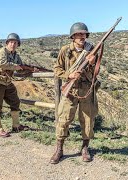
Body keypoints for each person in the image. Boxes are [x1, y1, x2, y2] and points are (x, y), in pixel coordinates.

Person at [50, 22, 98, 164]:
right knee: (63, 119)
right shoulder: (65, 50)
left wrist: (92, 63)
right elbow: (57, 68)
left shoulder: (92, 50)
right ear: (73, 36)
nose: (82, 36)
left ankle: (85, 148)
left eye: (84, 34)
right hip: (70, 90)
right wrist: (68, 76)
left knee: (88, 121)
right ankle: (59, 149)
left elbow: (96, 73)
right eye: (79, 34)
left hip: (86, 90)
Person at [0, 33, 31, 138]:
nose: (13, 44)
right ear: (7, 43)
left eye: (15, 42)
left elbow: (20, 68)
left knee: (15, 101)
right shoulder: (1, 51)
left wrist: (29, 70)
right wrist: (18, 67)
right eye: (11, 42)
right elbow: (2, 64)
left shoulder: (16, 55)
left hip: (7, 81)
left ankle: (16, 125)